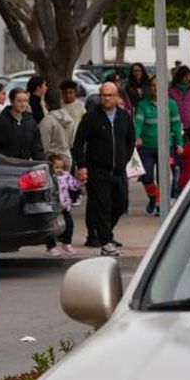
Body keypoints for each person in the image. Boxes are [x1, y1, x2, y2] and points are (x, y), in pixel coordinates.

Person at [71, 80, 136, 255]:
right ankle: (106, 242)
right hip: (98, 170)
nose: (106, 98)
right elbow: (78, 143)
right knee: (102, 206)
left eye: (109, 95)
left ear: (117, 97)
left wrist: (124, 159)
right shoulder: (91, 117)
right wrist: (82, 166)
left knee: (121, 204)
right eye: (103, 95)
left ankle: (105, 233)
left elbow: (130, 140)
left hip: (118, 170)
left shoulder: (124, 117)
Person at [133, 83, 182, 217]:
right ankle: (153, 197)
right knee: (146, 176)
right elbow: (138, 124)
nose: (155, 88)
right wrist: (136, 137)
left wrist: (179, 143)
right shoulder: (143, 105)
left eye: (158, 85)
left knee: (163, 177)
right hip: (146, 146)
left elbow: (176, 125)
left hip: (166, 146)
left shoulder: (171, 104)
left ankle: (161, 205)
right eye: (153, 85)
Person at [0, 88, 44, 162]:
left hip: (24, 165)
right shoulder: (0, 121)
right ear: (11, 101)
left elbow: (37, 149)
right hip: (3, 165)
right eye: (19, 101)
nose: (23, 104)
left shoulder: (31, 122)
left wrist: (43, 164)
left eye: (26, 101)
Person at [45, 154, 81, 257]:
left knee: (69, 225)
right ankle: (51, 247)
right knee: (51, 228)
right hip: (52, 207)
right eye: (56, 167)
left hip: (64, 206)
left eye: (62, 167)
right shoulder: (48, 177)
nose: (59, 170)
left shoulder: (66, 176)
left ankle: (67, 244)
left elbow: (74, 186)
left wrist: (80, 182)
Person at [39, 87, 77, 162]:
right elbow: (72, 142)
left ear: (46, 104)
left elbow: (43, 145)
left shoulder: (47, 121)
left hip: (52, 160)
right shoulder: (70, 119)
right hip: (67, 158)